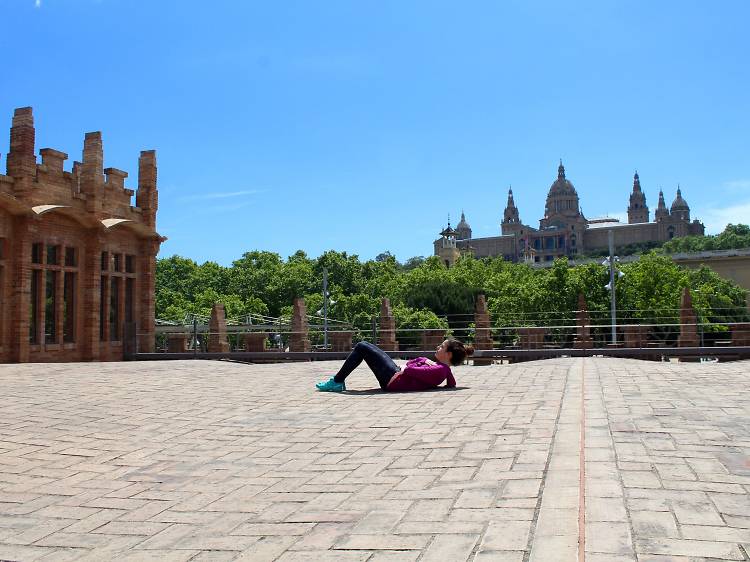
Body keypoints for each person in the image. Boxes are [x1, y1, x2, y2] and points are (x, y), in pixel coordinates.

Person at [316, 339, 473, 393]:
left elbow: (412, 370)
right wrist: (424, 361)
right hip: (394, 375)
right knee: (364, 346)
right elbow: (451, 383)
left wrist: (418, 363)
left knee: (362, 346)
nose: (438, 348)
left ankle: (337, 382)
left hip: (393, 379)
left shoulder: (439, 369)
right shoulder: (443, 369)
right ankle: (338, 381)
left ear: (449, 355)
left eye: (441, 347)